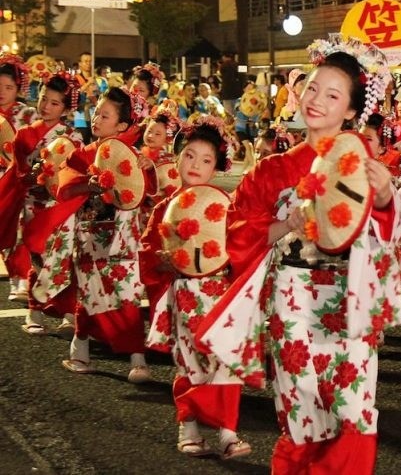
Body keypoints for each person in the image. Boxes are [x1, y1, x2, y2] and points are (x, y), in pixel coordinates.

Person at [195, 35, 401, 473]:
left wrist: (386, 195)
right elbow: (238, 232)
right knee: (302, 407)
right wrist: (287, 224)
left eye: (332, 95)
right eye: (312, 88)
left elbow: (385, 234)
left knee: (355, 408)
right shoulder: (272, 168)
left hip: (348, 297)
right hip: (293, 297)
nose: (316, 101)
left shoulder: (365, 160)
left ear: (352, 110)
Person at [141, 116, 251, 459]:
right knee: (190, 362)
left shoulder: (226, 206)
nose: (196, 165)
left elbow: (241, 246)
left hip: (220, 293)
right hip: (185, 294)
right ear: (176, 157)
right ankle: (188, 425)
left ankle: (228, 432)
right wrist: (164, 260)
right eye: (189, 155)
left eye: (206, 160)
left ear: (216, 168)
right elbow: (147, 254)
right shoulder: (164, 207)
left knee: (227, 360)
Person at [55, 87, 154, 383]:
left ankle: (137, 357)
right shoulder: (85, 153)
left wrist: (148, 171)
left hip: (124, 235)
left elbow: (146, 194)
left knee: (128, 293)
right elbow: (64, 188)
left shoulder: (136, 156)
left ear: (122, 126)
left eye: (104, 115)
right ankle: (80, 347)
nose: (96, 119)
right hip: (91, 233)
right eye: (96, 112)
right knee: (89, 291)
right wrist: (89, 185)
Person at [1, 72, 82, 307]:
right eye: (44, 99)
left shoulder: (72, 136)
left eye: (54, 103)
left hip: (59, 204)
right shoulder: (25, 133)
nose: (46, 106)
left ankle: (66, 311)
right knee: (35, 252)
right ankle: (35, 309)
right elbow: (18, 169)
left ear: (66, 110)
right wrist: (30, 173)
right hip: (31, 200)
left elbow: (75, 171)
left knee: (61, 257)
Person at [218, 52, 243, 117]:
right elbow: (243, 73)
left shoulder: (222, 66)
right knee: (237, 113)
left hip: (226, 93)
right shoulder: (237, 64)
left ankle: (230, 126)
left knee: (228, 114)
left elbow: (221, 74)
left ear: (224, 57)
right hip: (237, 92)